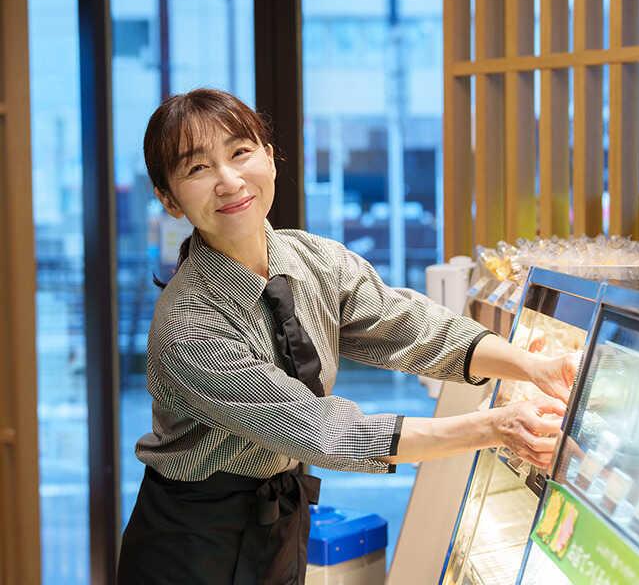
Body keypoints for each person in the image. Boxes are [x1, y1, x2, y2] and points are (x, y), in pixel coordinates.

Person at [116, 88, 577, 585]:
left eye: (239, 152)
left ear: (270, 159)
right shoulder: (189, 325)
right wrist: (491, 429)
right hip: (192, 542)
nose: (229, 181)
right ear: (168, 199)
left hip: (278, 518)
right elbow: (322, 430)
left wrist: (531, 366)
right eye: (197, 169)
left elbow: (410, 326)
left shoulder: (314, 259)